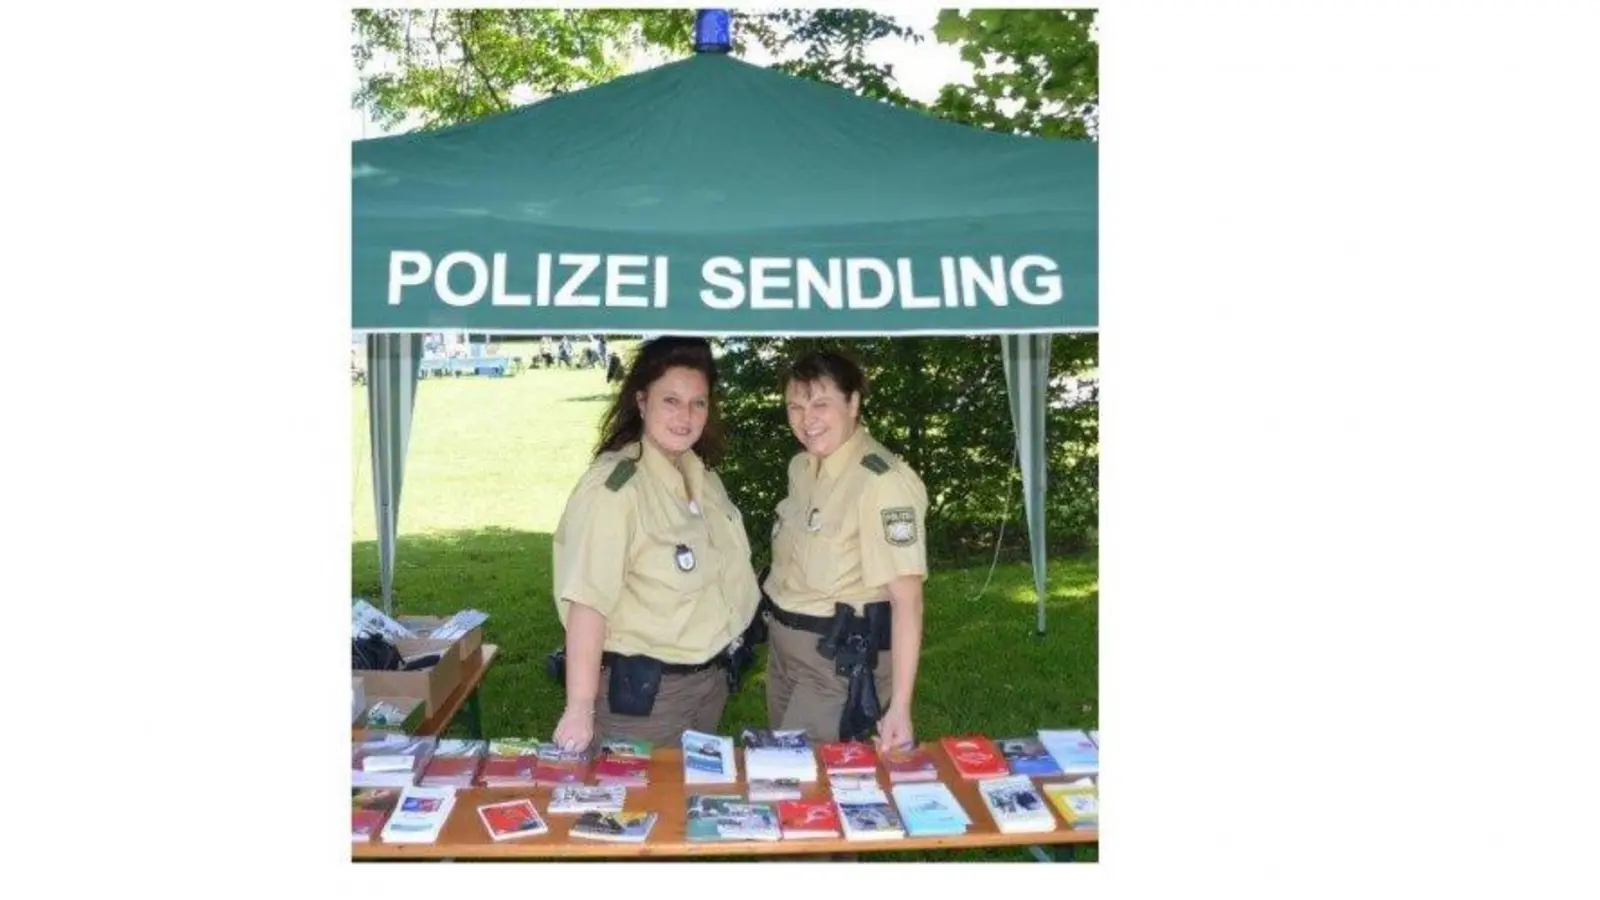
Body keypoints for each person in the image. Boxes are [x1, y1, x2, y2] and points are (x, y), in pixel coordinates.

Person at [549, 336, 761, 752]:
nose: (686, 416)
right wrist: (579, 709)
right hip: (648, 701)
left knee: (684, 809)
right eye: (671, 401)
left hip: (709, 686)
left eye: (698, 403)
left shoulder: (701, 475)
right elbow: (587, 603)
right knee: (640, 812)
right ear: (642, 402)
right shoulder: (616, 490)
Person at [761, 350, 929, 754]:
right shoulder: (803, 468)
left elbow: (908, 602)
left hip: (834, 665)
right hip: (784, 655)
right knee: (784, 775)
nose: (806, 420)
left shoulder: (882, 483)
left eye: (821, 404)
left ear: (853, 403)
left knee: (808, 783)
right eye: (795, 407)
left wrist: (901, 707)